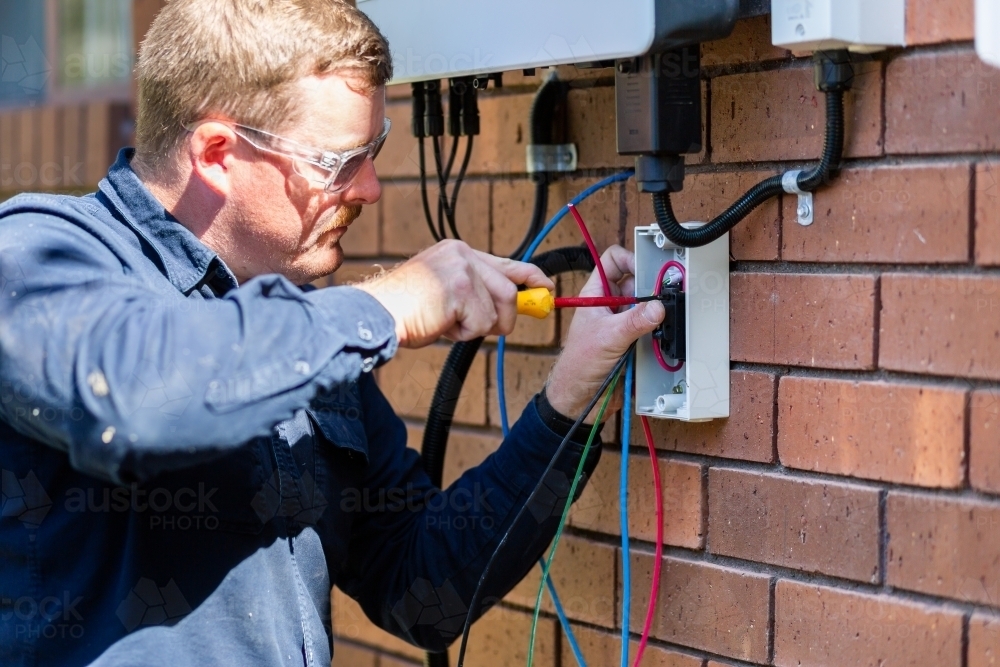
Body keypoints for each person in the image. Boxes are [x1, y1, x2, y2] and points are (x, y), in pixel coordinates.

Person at [0, 1, 665, 665]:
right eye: (337, 161)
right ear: (216, 152)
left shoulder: (303, 327)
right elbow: (131, 398)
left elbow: (423, 589)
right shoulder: (38, 256)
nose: (370, 188)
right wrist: (389, 306)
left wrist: (569, 396)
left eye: (373, 152)